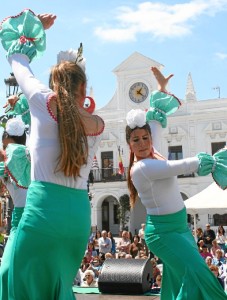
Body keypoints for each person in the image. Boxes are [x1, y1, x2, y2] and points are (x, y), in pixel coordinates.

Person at [0, 9, 104, 300]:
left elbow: (17, 60)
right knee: (58, 286)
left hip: (43, 213)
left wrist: (33, 31)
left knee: (19, 285)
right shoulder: (97, 125)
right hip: (78, 221)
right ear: (84, 87)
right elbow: (76, 113)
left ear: (54, 83)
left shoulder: (42, 101)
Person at [125, 66, 227, 299]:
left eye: (145, 138)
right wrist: (208, 161)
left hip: (180, 227)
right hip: (162, 233)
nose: (142, 143)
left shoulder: (154, 154)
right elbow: (176, 167)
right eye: (135, 140)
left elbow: (156, 124)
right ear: (129, 144)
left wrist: (161, 88)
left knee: (175, 279)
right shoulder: (141, 168)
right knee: (197, 275)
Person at [0, 118, 31, 300]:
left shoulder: (12, 156)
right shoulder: (33, 155)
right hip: (42, 216)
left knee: (7, 272)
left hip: (23, 219)